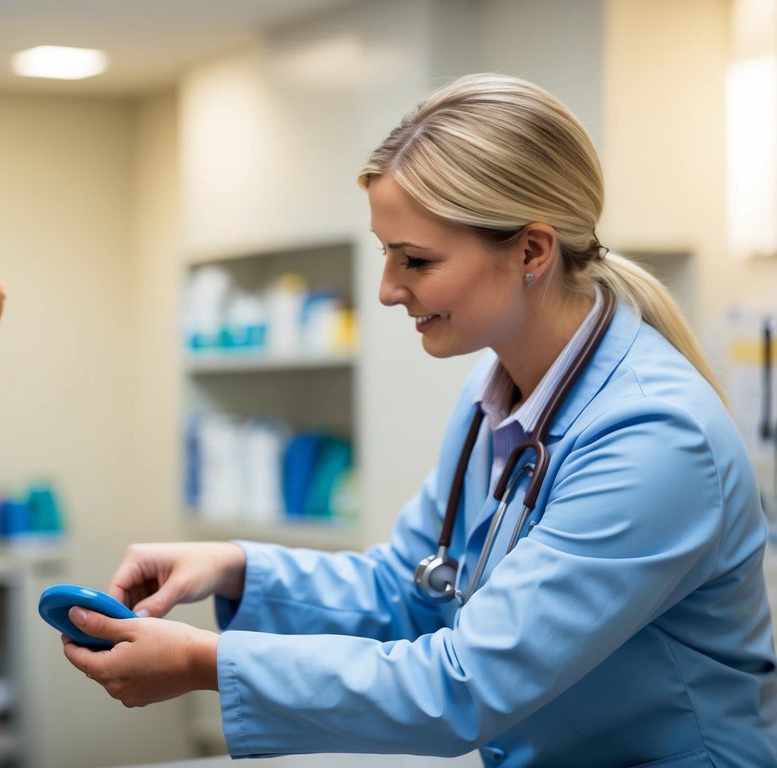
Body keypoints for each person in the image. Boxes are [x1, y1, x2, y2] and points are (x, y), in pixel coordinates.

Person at [60, 73, 777, 766]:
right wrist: (234, 568)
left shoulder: (653, 439)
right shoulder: (493, 392)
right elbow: (411, 585)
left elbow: (463, 685)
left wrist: (204, 663)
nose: (385, 290)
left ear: (530, 251)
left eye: (415, 260)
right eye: (386, 255)